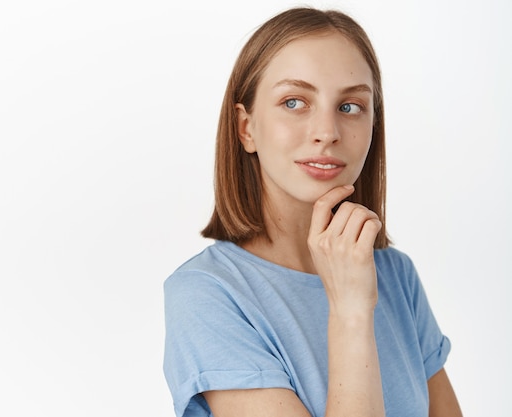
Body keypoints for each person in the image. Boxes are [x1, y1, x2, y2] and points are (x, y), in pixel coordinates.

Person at [163, 7, 462, 417]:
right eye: (294, 101)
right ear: (246, 128)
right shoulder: (207, 294)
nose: (327, 131)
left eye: (351, 106)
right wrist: (350, 313)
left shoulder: (396, 275)